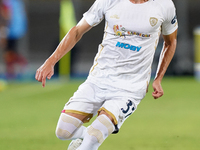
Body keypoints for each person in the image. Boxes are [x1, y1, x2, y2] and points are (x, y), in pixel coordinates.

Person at [35, 0, 178, 149]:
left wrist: (158, 78)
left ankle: (90, 139)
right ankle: (86, 137)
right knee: (63, 131)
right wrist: (51, 61)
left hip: (131, 87)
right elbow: (77, 30)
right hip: (99, 79)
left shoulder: (164, 5)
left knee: (95, 135)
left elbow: (171, 42)